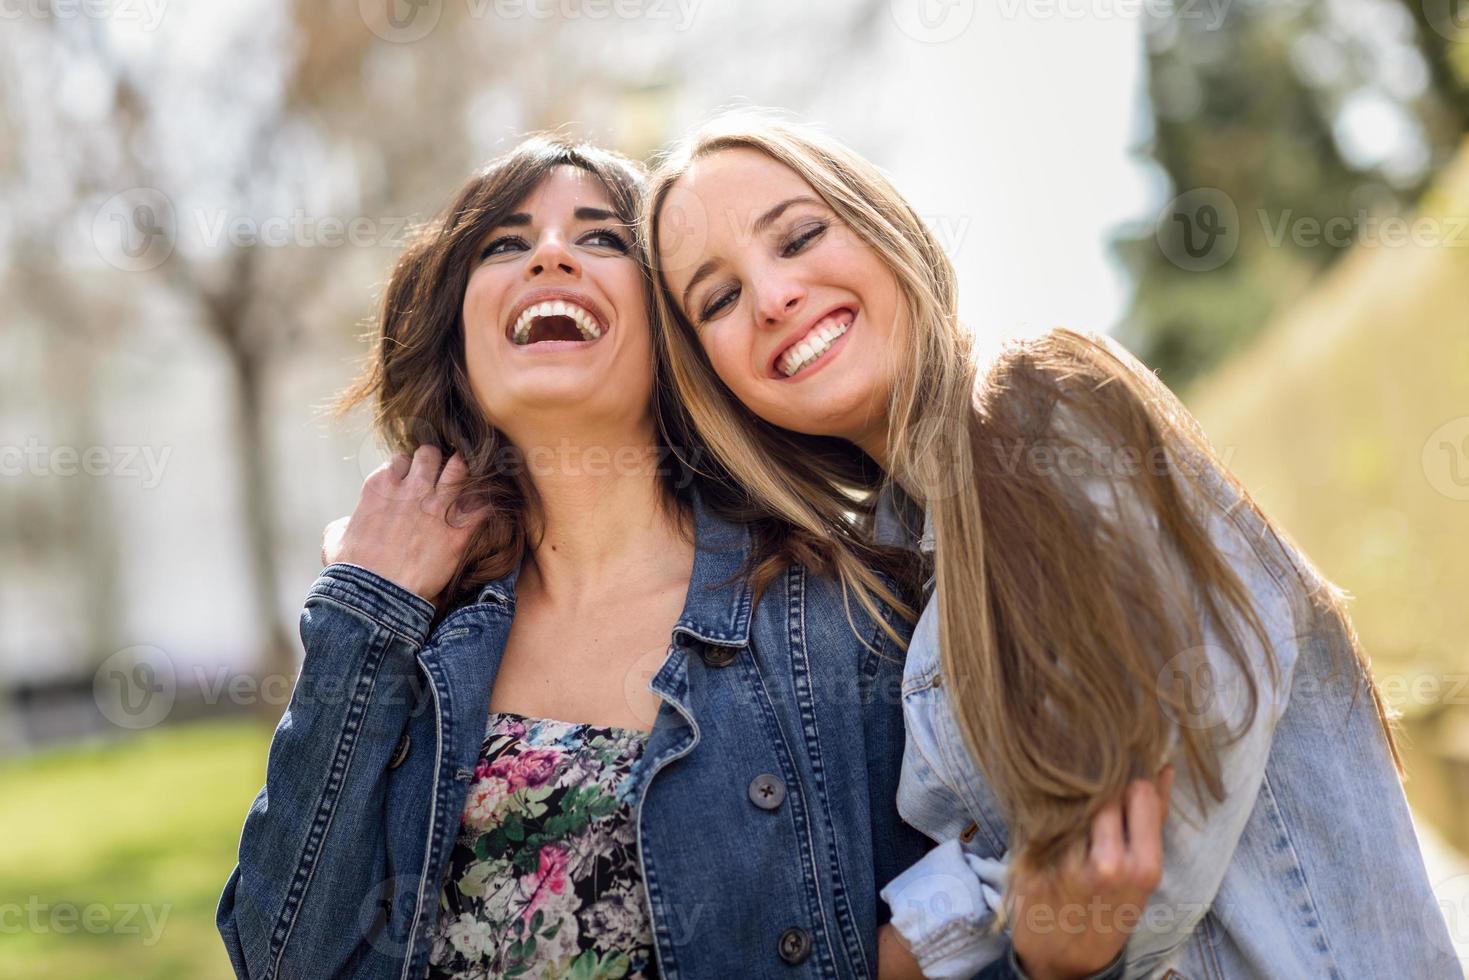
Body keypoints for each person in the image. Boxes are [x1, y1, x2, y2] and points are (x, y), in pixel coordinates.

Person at [646, 113, 1458, 979]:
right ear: (714, 382)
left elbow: (1135, 832)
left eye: (800, 236)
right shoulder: (894, 569)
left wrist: (915, 947)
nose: (773, 298)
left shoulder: (1034, 407)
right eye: (719, 299)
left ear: (881, 229)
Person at [216, 134, 943, 979]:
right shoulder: (404, 633)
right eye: (505, 244)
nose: (551, 255)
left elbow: (964, 929)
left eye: (601, 238)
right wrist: (364, 611)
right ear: (458, 342)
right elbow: (281, 961)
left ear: (675, 335)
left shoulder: (845, 612)